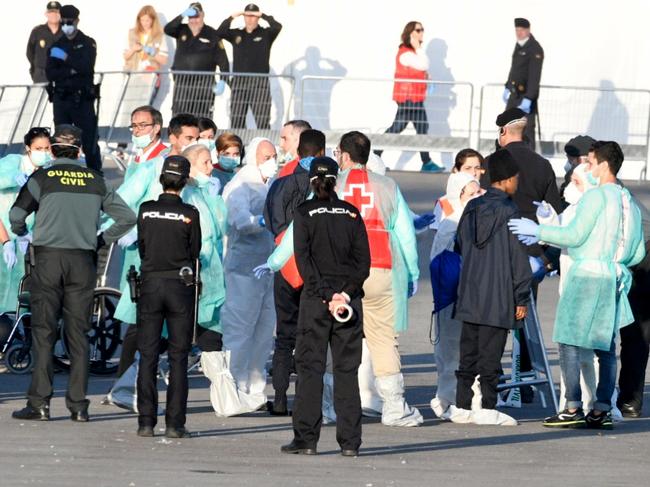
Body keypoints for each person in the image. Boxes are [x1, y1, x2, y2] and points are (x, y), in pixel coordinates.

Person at [509, 141, 645, 429]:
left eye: (592, 163)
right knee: (606, 347)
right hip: (614, 276)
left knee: (569, 341)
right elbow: (637, 250)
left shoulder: (594, 198)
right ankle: (602, 408)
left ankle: (572, 407)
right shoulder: (627, 199)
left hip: (586, 274)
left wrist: (540, 230)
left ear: (604, 165)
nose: (589, 168)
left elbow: (574, 234)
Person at [9, 125, 136, 422]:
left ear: (52, 150)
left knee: (44, 332)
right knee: (78, 334)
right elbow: (127, 218)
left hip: (49, 259)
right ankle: (78, 406)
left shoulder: (42, 177)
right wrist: (101, 239)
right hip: (83, 260)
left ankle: (39, 403)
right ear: (79, 151)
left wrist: (23, 232)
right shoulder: (96, 180)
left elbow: (16, 215)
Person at [281, 157, 371, 457]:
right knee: (347, 371)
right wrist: (343, 294)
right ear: (336, 180)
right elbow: (363, 264)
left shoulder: (304, 213)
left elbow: (304, 262)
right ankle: (350, 442)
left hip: (316, 302)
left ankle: (306, 439)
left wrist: (326, 295)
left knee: (310, 370)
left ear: (311, 181)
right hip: (348, 302)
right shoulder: (351, 213)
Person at [335, 131, 423, 426]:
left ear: (344, 155)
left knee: (333, 338)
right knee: (384, 340)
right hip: (382, 267)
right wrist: (412, 273)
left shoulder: (332, 185)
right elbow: (406, 235)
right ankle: (394, 407)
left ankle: (328, 405)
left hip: (341, 272)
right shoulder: (388, 185)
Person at [111, 113, 198, 378]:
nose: (194, 142)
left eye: (198, 138)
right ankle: (125, 383)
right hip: (151, 254)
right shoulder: (155, 167)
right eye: (189, 138)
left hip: (182, 262)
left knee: (164, 329)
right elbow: (123, 200)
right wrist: (123, 230)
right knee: (143, 324)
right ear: (173, 137)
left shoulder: (196, 175)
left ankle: (143, 382)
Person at [452, 149, 532, 426]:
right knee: (491, 356)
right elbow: (517, 260)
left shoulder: (473, 207)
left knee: (468, 354)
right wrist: (521, 296)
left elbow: (459, 244)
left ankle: (461, 406)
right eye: (516, 178)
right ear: (507, 179)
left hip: (470, 292)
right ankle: (487, 406)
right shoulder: (510, 210)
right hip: (498, 297)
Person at [134, 155, 201, 438]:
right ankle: (175, 423)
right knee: (178, 357)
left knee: (147, 355)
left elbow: (143, 247)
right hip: (179, 286)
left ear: (162, 178)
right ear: (184, 181)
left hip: (150, 283)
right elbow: (195, 251)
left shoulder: (146, 209)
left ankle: (146, 422)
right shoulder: (190, 212)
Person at [262, 129, 326, 415]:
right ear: (322, 152)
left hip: (284, 263)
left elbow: (270, 220)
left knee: (285, 334)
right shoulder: (325, 184)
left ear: (298, 152)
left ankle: (278, 397)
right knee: (311, 334)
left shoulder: (280, 184)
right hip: (314, 264)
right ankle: (306, 397)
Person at [221, 137, 278, 412]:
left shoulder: (270, 185)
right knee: (240, 330)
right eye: (266, 156)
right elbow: (239, 221)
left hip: (266, 267)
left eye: (274, 155)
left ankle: (255, 390)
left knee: (264, 331)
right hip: (243, 269)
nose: (272, 161)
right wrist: (263, 220)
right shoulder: (240, 185)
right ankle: (232, 387)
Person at [428, 172, 482, 419]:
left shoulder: (477, 218)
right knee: (450, 350)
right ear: (458, 195)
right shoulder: (451, 223)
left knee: (471, 350)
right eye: (471, 194)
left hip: (468, 295)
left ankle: (469, 398)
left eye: (478, 192)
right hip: (451, 297)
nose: (477, 197)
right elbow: (439, 261)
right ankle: (447, 397)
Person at [374, 21, 443, 173]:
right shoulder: (406, 53)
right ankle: (375, 157)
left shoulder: (411, 53)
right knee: (403, 128)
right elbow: (424, 64)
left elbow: (419, 70)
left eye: (422, 30)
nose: (421, 33)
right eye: (418, 30)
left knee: (419, 128)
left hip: (413, 98)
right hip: (408, 98)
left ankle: (376, 157)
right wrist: (419, 48)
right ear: (410, 33)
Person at [0, 127, 53, 314]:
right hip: (4, 237)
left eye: (47, 148)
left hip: (28, 241)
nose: (44, 153)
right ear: (28, 148)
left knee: (22, 296)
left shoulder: (48, 172)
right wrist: (14, 178)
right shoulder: (14, 162)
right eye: (39, 148)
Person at [45, 4, 101, 171]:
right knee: (62, 139)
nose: (66, 25)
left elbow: (86, 67)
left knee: (89, 140)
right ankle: (64, 172)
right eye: (63, 22)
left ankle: (95, 174)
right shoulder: (56, 45)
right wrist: (71, 69)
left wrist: (66, 58)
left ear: (77, 21)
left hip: (82, 100)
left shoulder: (87, 43)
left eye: (69, 22)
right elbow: (50, 73)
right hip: (62, 99)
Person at [182, 145, 227, 348]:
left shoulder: (203, 194)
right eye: (205, 163)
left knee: (211, 328)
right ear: (190, 167)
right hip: (194, 270)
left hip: (211, 270)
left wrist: (216, 199)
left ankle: (218, 375)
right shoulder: (185, 195)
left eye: (211, 162)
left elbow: (220, 227)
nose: (210, 168)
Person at [217, 4, 282, 129]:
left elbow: (277, 26)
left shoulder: (265, 33)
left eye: (253, 16)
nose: (250, 19)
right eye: (247, 16)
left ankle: (264, 146)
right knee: (237, 120)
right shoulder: (237, 33)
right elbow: (220, 32)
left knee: (262, 120)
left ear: (257, 17)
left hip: (260, 83)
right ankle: (237, 147)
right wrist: (233, 16)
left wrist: (262, 15)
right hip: (239, 82)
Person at [164, 2, 230, 118]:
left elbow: (223, 60)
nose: (194, 20)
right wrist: (182, 15)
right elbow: (168, 29)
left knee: (202, 118)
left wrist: (223, 80)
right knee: (179, 118)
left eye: (197, 16)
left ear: (203, 15)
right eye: (191, 17)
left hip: (204, 85)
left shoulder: (212, 33)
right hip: (182, 84)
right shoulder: (181, 30)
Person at [503, 18, 544, 146]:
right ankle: (506, 155)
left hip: (525, 95)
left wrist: (529, 97)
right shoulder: (519, 45)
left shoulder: (535, 48)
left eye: (521, 30)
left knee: (526, 130)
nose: (519, 33)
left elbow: (534, 76)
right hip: (514, 94)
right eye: (517, 30)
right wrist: (508, 86)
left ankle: (529, 160)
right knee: (506, 125)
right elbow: (514, 69)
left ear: (528, 30)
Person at [123, 5, 168, 104]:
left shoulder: (159, 36)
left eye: (147, 20)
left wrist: (153, 52)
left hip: (149, 78)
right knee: (129, 107)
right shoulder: (132, 33)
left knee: (145, 108)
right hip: (133, 77)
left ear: (153, 20)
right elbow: (125, 56)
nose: (144, 23)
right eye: (142, 20)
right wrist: (133, 49)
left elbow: (164, 60)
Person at [431, 148, 484, 232]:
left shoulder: (489, 197)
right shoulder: (444, 203)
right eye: (468, 168)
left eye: (477, 168)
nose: (474, 173)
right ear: (456, 170)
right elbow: (439, 238)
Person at [127, 105, 167, 181]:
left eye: (142, 125)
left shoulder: (163, 157)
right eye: (134, 125)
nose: (136, 131)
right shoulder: (139, 154)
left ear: (156, 128)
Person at [26, 1, 62, 83]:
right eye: (51, 12)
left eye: (56, 12)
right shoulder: (38, 31)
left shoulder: (66, 32)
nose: (54, 15)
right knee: (39, 95)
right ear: (46, 14)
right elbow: (30, 52)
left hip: (61, 74)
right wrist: (36, 68)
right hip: (41, 75)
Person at [560, 135, 595, 200]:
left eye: (569, 159)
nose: (568, 163)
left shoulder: (573, 176)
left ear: (580, 160)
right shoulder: (606, 176)